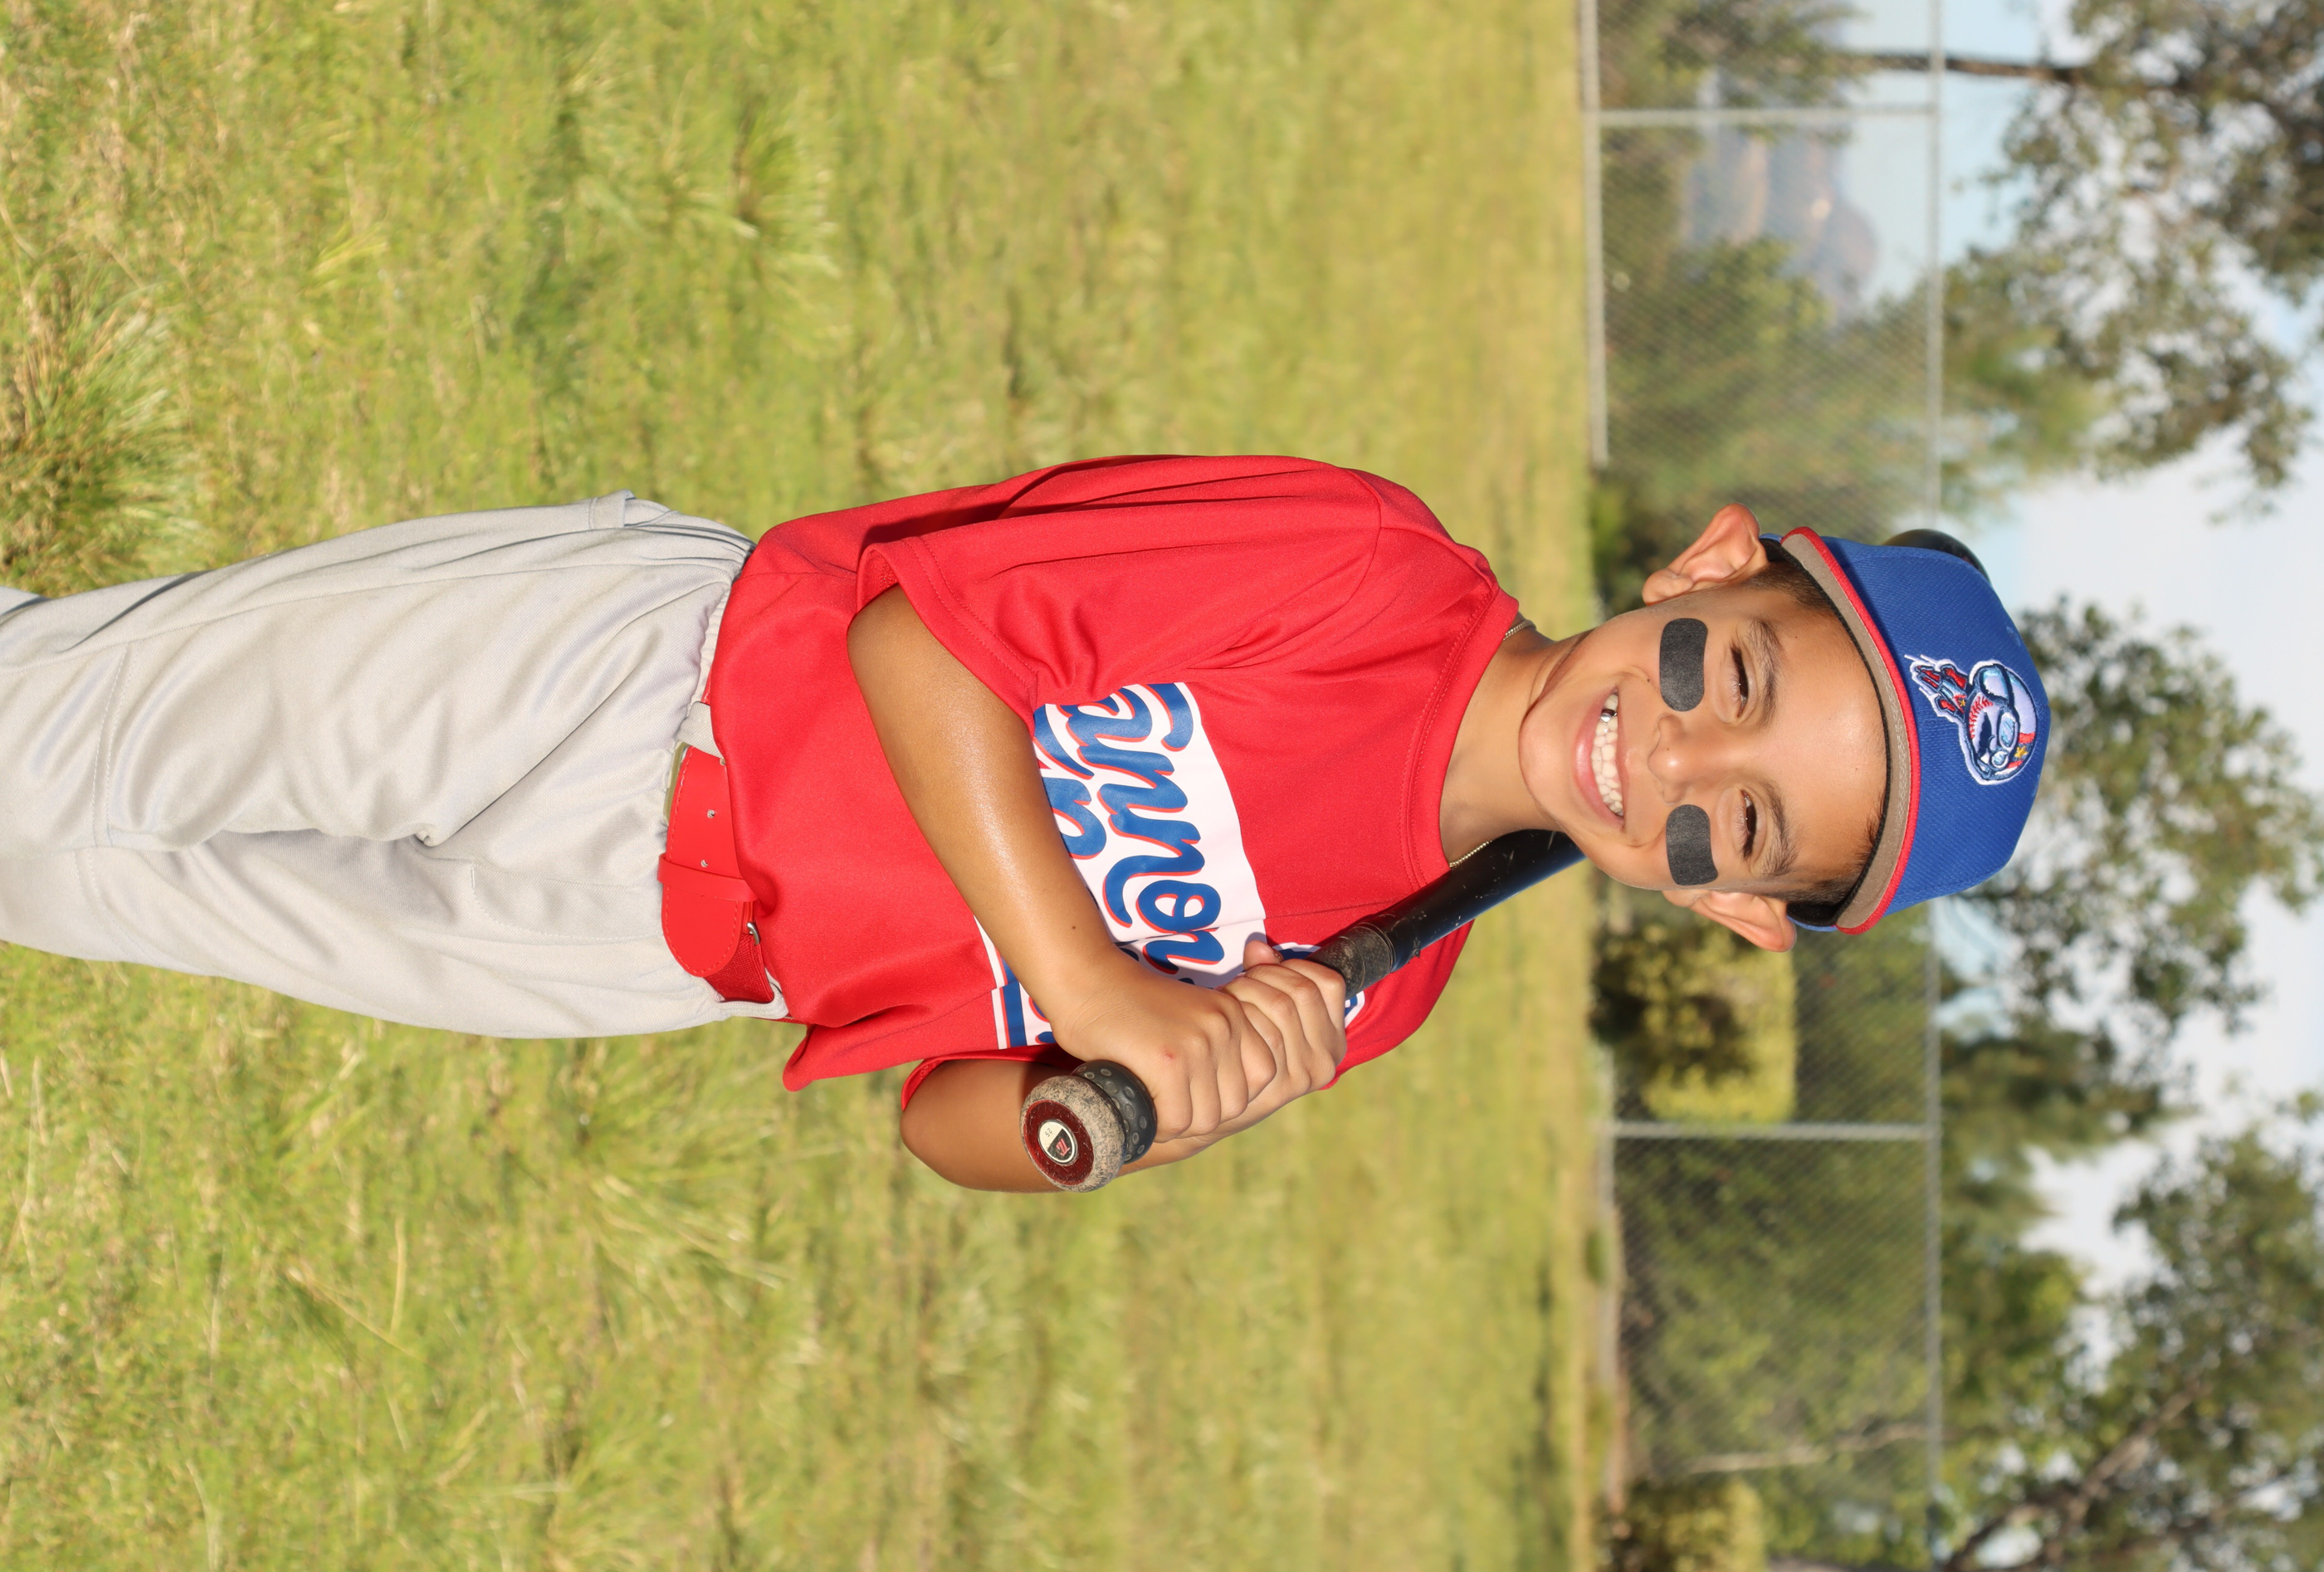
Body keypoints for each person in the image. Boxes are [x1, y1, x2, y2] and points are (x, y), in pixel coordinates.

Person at [0, 454, 2047, 1190]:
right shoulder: (1368, 573)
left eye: (1738, 832)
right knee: (37, 739)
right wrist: (1104, 982)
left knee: (45, 869)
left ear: (1737, 916)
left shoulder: (1383, 976)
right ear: (1704, 566)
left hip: (655, 952)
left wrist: (1146, 1103)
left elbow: (953, 1122)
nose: (1671, 766)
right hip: (633, 684)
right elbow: (920, 649)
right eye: (1721, 676)